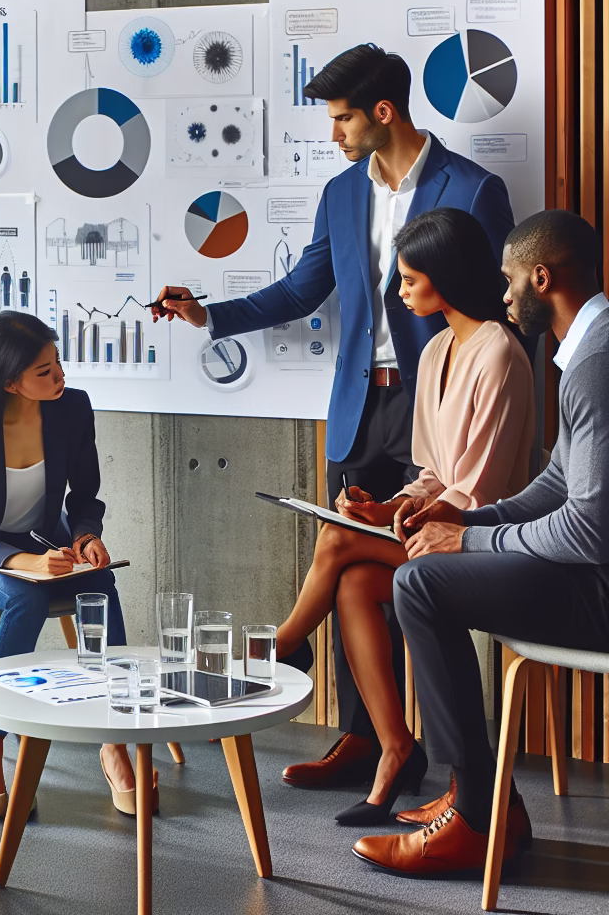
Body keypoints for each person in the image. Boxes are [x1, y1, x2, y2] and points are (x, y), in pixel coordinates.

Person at [154, 43, 517, 790]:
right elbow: (300, 289)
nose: (334, 133)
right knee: (354, 561)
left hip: (439, 408)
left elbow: (496, 310)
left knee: (405, 577)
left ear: (384, 113)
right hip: (358, 405)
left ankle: (422, 744)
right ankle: (365, 739)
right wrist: (209, 316)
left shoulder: (474, 190)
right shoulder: (341, 192)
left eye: (344, 117)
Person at [353, 209, 609, 874]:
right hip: (589, 573)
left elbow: (587, 527)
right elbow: (556, 482)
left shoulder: (594, 368)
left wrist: (463, 548)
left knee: (421, 584)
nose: (502, 295)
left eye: (510, 279)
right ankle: (487, 804)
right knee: (423, 571)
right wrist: (464, 524)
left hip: (599, 585)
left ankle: (474, 814)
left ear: (541, 278)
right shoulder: (587, 350)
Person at [270, 207, 533, 825]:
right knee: (357, 580)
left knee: (338, 544)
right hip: (441, 529)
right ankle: (394, 748)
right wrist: (386, 506)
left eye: (411, 279)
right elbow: (435, 475)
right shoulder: (439, 347)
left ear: (444, 278)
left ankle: (280, 645)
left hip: (489, 542)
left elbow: (484, 492)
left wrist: (408, 513)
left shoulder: (498, 354)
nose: (401, 291)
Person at [0, 311, 143, 818]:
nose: (59, 376)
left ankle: (113, 740)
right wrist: (29, 564)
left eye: (58, 362)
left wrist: (85, 538)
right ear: (9, 381)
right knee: (25, 597)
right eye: (44, 371)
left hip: (44, 539)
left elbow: (85, 494)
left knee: (101, 581)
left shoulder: (72, 408)